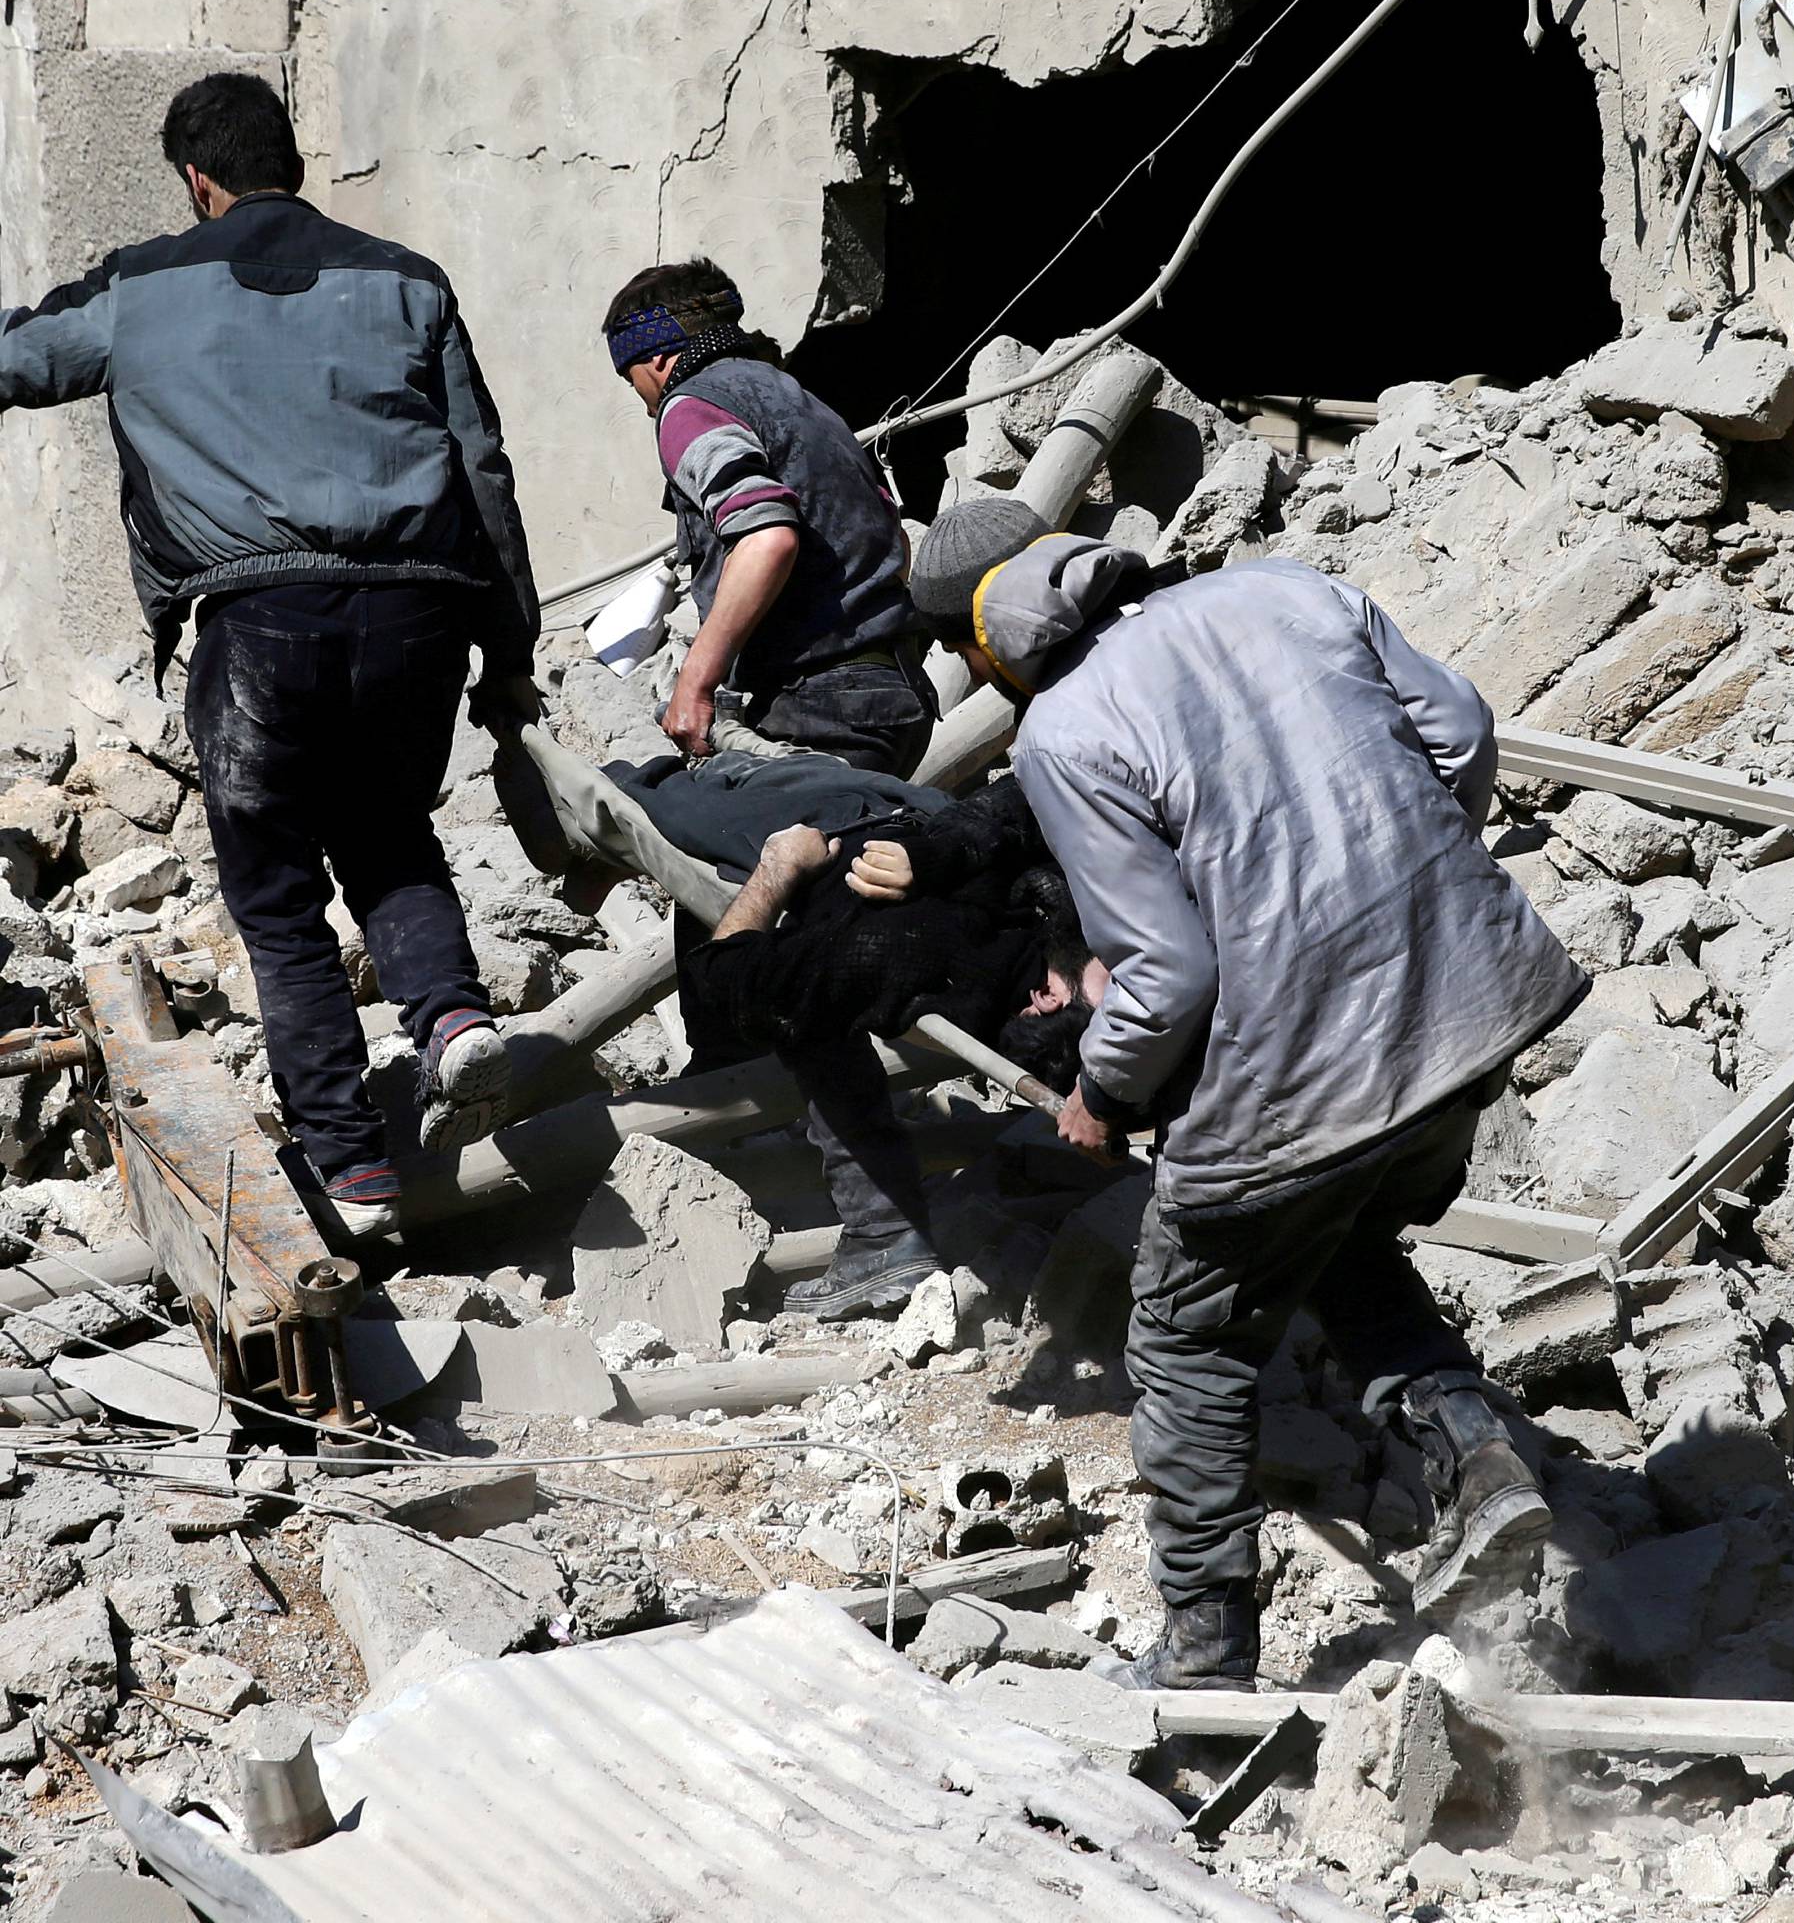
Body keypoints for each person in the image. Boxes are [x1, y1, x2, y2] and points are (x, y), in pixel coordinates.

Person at [908, 498, 1590, 1688]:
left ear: (989, 642)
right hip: (1471, 1008)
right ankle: (1479, 1458)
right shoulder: (1284, 587)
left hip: (1310, 1063)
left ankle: (1206, 1659)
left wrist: (1106, 1095)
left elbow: (1170, 972)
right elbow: (1466, 730)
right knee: (1330, 1233)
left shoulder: (1063, 731)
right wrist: (1413, 890)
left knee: (1185, 1333)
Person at [0, 74, 539, 1233]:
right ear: (289, 158)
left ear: (198, 180)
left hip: (260, 624)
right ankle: (452, 1018)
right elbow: (482, 469)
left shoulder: (142, 286)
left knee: (281, 900)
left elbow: (19, 360)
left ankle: (355, 1171)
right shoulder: (409, 279)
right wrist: (512, 646)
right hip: (420, 615)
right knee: (391, 834)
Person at [665, 757, 1106, 1319]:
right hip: (894, 807)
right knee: (734, 768)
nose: (1132, 964)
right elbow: (1045, 786)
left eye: (1116, 985)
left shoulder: (911, 946)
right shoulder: (1079, 920)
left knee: (656, 792)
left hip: (806, 825)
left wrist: (778, 868)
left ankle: (882, 1231)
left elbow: (721, 981)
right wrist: (940, 853)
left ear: (1048, 997)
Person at [602, 257, 935, 777]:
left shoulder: (688, 406)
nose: (646, 405)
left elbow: (766, 538)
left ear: (659, 360)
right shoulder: (800, 400)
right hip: (897, 693)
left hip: (823, 705)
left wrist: (694, 684)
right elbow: (892, 538)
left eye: (633, 382)